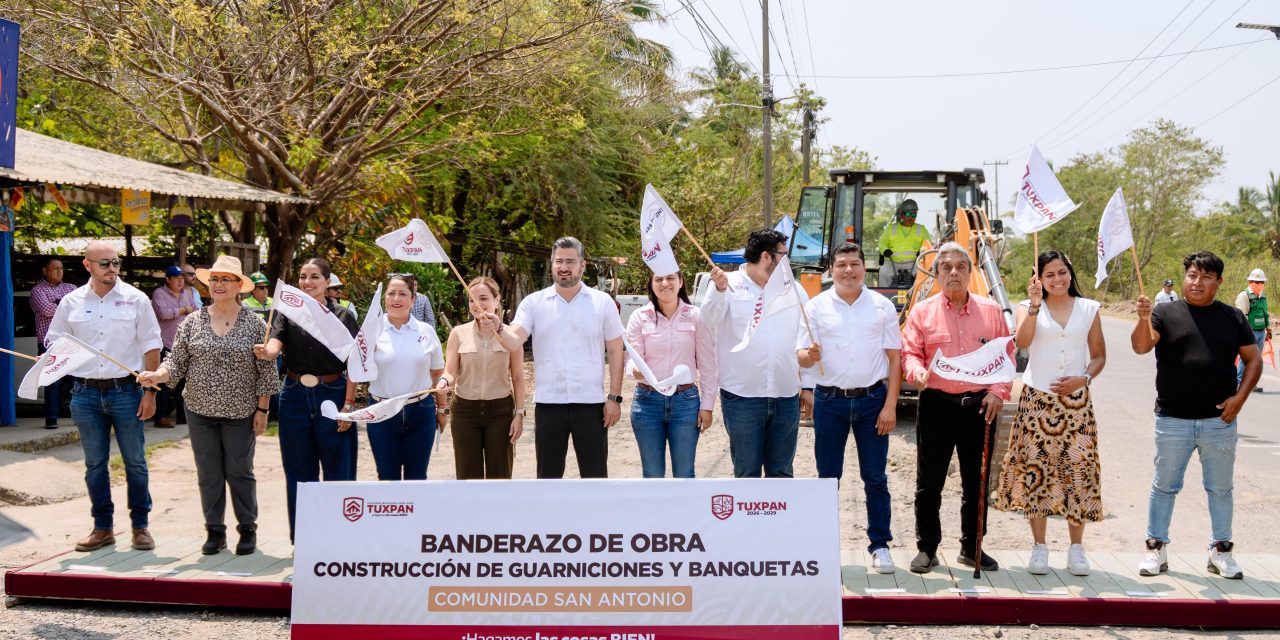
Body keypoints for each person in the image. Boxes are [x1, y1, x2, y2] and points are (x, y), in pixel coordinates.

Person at [1132, 250, 1261, 580]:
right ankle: (1155, 549)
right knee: (1164, 487)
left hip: (1219, 421)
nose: (1197, 282)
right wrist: (1143, 318)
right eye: (1192, 275)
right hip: (1172, 419)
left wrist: (1239, 398)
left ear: (1218, 282)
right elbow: (1142, 346)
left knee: (1221, 489)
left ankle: (1221, 551)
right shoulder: (1163, 312)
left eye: (1205, 277)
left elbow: (1254, 360)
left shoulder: (1233, 317)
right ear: (1184, 277)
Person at [137, 255, 277, 556]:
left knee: (240, 470)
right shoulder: (193, 320)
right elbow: (176, 361)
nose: (218, 284)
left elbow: (266, 370)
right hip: (198, 408)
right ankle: (215, 531)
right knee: (209, 472)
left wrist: (262, 410)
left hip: (240, 410)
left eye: (225, 279)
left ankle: (247, 528)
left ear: (240, 285)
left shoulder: (254, 323)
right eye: (214, 279)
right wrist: (157, 375)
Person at [992, 250, 1106, 577]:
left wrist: (1082, 379)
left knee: (1078, 471)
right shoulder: (1028, 308)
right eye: (1049, 275)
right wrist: (1033, 305)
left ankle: (1076, 549)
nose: (1057, 279)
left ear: (1070, 273)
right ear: (1038, 279)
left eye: (1062, 272)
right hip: (1037, 400)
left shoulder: (1089, 309)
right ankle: (1039, 547)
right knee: (1036, 471)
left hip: (1076, 403)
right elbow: (1022, 343)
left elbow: (1098, 356)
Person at [45, 241, 163, 553]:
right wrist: (53, 356)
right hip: (83, 393)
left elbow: (152, 346)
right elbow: (54, 338)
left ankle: (140, 527)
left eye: (116, 263)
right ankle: (102, 528)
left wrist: (149, 392)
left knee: (135, 461)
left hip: (126, 390)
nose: (112, 269)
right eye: (104, 264)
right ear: (87, 265)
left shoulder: (136, 299)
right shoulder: (70, 302)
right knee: (94, 463)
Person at [901, 241, 1011, 573]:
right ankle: (927, 548)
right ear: (935, 274)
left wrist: (997, 392)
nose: (953, 273)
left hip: (980, 406)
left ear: (970, 272)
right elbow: (910, 353)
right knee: (929, 481)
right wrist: (915, 370)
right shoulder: (922, 312)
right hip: (936, 404)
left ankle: (971, 547)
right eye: (946, 267)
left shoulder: (990, 311)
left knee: (975, 482)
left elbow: (1005, 355)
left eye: (960, 267)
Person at [796, 243, 902, 572]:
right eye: (841, 264)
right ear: (832, 268)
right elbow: (799, 354)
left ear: (863, 267)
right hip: (829, 402)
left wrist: (890, 406)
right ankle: (824, 548)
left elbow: (895, 359)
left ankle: (880, 545)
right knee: (828, 478)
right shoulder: (815, 307)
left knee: (875, 478)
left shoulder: (883, 307)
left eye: (855, 264)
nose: (848, 270)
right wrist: (808, 358)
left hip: (873, 401)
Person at [491, 237, 624, 479]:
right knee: (548, 477)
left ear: (582, 265)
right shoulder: (533, 303)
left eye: (570, 261)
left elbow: (616, 350)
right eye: (559, 261)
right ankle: (548, 518)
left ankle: (595, 518)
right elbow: (514, 340)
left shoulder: (602, 302)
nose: (564, 267)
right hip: (549, 404)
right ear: (552, 264)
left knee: (595, 476)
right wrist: (499, 328)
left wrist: (614, 397)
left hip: (591, 404)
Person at [253, 258, 359, 541]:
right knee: (298, 470)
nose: (307, 282)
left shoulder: (344, 316)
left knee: (339, 469)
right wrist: (267, 350)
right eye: (302, 277)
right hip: (295, 394)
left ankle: (340, 539)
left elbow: (356, 364)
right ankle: (304, 540)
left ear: (327, 282)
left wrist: (349, 405)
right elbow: (275, 344)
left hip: (334, 395)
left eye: (314, 277)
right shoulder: (288, 312)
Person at [700, 228, 806, 478]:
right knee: (746, 472)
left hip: (785, 394)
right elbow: (708, 320)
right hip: (742, 397)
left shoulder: (794, 289)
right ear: (767, 257)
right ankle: (749, 520)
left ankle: (777, 519)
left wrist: (808, 386)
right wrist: (719, 291)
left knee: (781, 472)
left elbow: (804, 338)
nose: (787, 262)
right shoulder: (727, 283)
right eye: (784, 255)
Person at [624, 269, 717, 478]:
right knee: (652, 474)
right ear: (651, 283)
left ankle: (685, 512)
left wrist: (708, 405)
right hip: (647, 403)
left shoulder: (696, 316)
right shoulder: (639, 317)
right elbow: (631, 358)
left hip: (686, 403)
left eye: (670, 278)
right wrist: (634, 370)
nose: (665, 283)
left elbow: (708, 364)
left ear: (681, 281)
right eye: (658, 279)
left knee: (685, 473)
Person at [436, 276, 526, 479]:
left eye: (483, 298)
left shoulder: (511, 335)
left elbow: (518, 378)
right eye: (471, 300)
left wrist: (519, 415)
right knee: (468, 477)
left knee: (500, 476)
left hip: (500, 412)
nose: (477, 304)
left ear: (497, 300)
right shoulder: (458, 333)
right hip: (465, 413)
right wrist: (444, 382)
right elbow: (450, 371)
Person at [364, 274, 445, 480]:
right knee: (386, 476)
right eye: (391, 293)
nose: (396, 299)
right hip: (382, 412)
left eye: (403, 294)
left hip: (420, 411)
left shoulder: (426, 331)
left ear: (413, 299)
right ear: (384, 299)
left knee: (417, 477)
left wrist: (442, 408)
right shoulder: (371, 330)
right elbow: (356, 370)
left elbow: (437, 372)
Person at [30, 257, 77, 428]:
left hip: (72, 343)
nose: (59, 271)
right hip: (49, 344)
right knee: (52, 381)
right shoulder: (38, 290)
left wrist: (59, 306)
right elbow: (45, 309)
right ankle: (51, 418)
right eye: (55, 268)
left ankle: (77, 417)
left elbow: (81, 309)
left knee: (76, 382)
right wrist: (67, 309)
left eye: (61, 268)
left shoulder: (71, 288)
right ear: (45, 271)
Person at [151, 265, 199, 428]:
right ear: (168, 279)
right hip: (166, 342)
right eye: (176, 278)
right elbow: (163, 313)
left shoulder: (187, 294)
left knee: (183, 383)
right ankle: (161, 417)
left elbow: (197, 313)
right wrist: (184, 310)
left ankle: (182, 417)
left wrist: (180, 311)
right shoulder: (160, 293)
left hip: (184, 345)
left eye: (181, 278)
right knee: (164, 382)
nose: (180, 281)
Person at [877, 199, 931, 288]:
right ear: (902, 214)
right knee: (883, 271)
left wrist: (922, 251)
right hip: (892, 262)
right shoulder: (891, 228)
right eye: (908, 214)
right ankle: (884, 297)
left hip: (913, 263)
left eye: (913, 215)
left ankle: (919, 297)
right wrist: (885, 250)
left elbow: (928, 244)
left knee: (923, 271)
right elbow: (882, 243)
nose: (911, 217)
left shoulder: (921, 229)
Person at [1234, 269, 1269, 392]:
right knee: (1246, 359)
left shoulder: (1263, 296)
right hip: (1249, 332)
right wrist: (1244, 335)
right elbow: (1241, 317)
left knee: (1256, 360)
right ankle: (1239, 383)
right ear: (1250, 281)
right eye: (1255, 282)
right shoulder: (1244, 296)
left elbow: (1265, 313)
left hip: (1261, 331)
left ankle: (1252, 384)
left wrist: (1268, 329)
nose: (1259, 284)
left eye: (1261, 282)